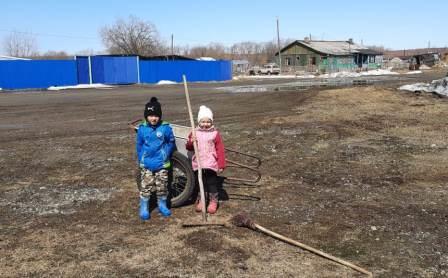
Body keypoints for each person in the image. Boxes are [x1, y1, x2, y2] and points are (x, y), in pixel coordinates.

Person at [136, 97, 175, 220]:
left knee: (162, 186)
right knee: (146, 186)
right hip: (147, 163)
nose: (154, 118)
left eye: (156, 115)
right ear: (146, 116)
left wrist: (165, 155)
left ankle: (162, 205)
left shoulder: (165, 128)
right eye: (151, 115)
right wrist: (141, 157)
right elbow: (139, 144)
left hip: (161, 164)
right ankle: (144, 207)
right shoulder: (142, 129)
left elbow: (170, 142)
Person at [186, 105, 226, 214]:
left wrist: (221, 164)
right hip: (198, 163)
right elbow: (188, 147)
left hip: (210, 163)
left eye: (208, 122)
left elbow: (220, 149)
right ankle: (202, 200)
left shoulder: (215, 134)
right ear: (199, 122)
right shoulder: (194, 132)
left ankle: (213, 201)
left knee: (211, 183)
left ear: (212, 122)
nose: (205, 124)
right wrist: (191, 141)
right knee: (201, 183)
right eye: (203, 121)